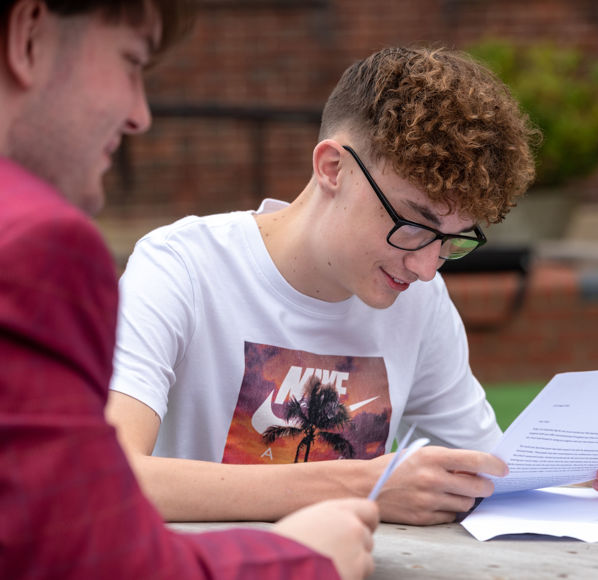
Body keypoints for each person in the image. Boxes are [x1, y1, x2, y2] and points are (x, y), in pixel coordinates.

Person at [106, 45, 598, 526]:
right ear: (333, 168)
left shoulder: (419, 299)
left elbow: (491, 475)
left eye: (451, 240)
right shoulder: (183, 267)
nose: (427, 267)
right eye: (413, 224)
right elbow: (107, 475)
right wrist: (365, 487)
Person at [0, 1, 377, 578]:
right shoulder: (39, 242)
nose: (140, 115)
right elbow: (90, 556)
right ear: (28, 37)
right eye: (131, 63)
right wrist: (303, 558)